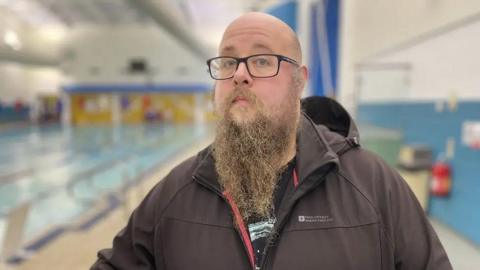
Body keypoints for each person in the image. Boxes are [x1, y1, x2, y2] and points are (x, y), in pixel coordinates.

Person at [91, 12, 452, 270]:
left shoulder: (372, 185)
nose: (240, 74)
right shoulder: (177, 192)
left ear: (299, 80)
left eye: (262, 61)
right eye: (228, 62)